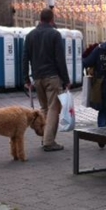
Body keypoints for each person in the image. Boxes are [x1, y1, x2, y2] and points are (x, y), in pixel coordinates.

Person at [22, 8, 70, 152]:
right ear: (52, 19)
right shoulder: (54, 35)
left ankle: (44, 136)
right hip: (52, 77)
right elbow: (60, 59)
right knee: (53, 108)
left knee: (44, 108)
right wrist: (66, 79)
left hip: (37, 78)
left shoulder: (30, 35)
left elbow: (25, 58)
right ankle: (49, 141)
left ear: (40, 18)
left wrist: (26, 78)